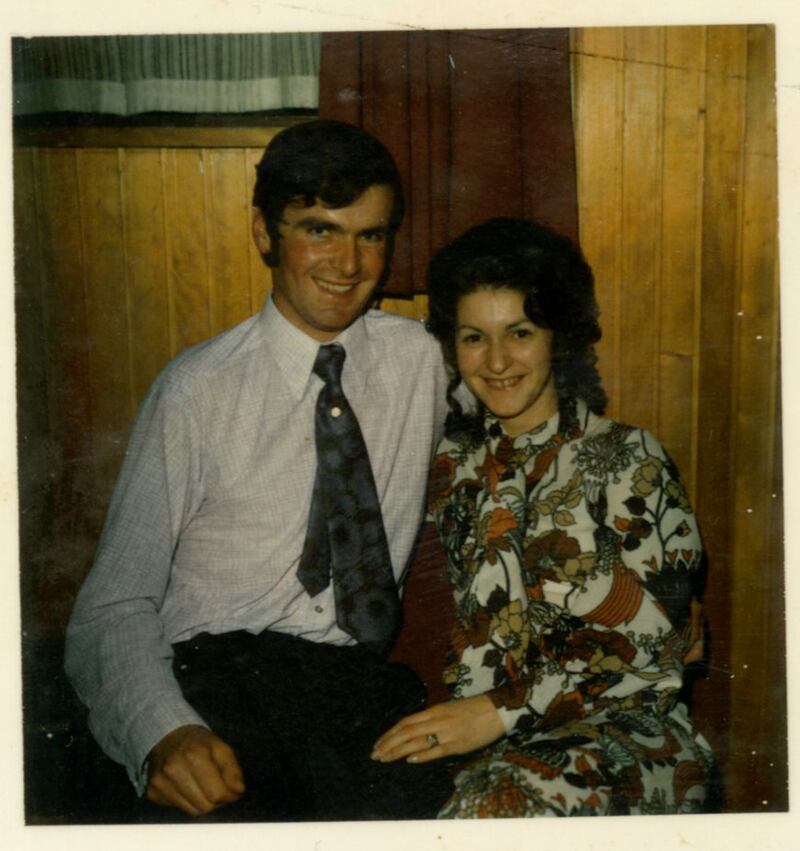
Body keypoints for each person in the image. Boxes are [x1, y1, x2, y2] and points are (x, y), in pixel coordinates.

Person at [64, 119, 458, 822]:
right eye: (319, 229)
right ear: (263, 233)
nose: (348, 262)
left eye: (371, 234)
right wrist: (163, 731)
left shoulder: (421, 361)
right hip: (215, 683)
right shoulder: (197, 390)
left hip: (353, 692)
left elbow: (531, 417)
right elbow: (111, 604)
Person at [371, 217, 716, 817]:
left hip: (624, 732)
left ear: (559, 336)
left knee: (498, 803)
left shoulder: (628, 459)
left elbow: (668, 644)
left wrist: (499, 709)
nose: (497, 361)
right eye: (474, 337)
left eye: (520, 332)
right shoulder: (445, 465)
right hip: (479, 737)